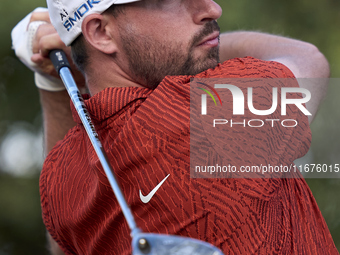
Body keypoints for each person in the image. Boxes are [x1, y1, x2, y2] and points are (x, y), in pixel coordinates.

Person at [11, 0, 338, 254]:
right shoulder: (199, 114)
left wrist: (50, 79)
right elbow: (307, 60)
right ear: (100, 33)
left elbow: (63, 245)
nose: (211, 9)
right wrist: (212, 43)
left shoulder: (62, 177)